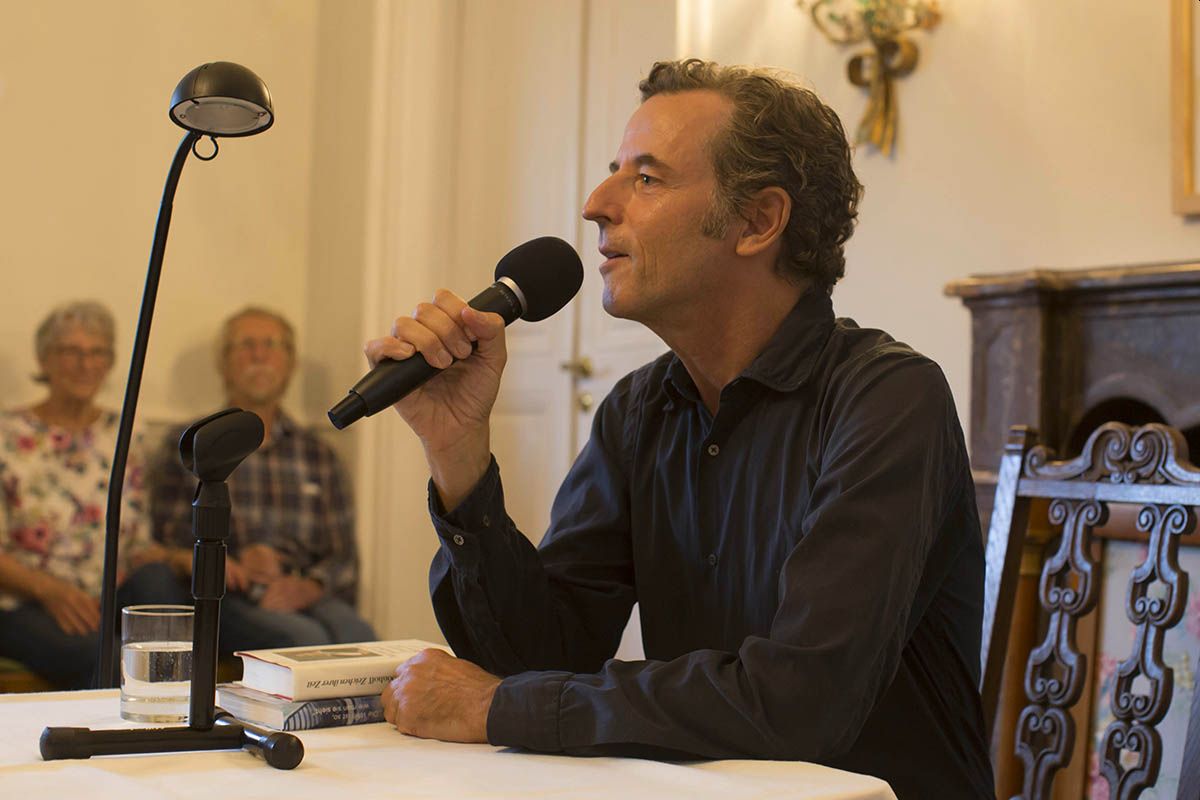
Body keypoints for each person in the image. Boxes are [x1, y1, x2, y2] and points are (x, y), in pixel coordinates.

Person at [366, 60, 993, 798]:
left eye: (647, 178)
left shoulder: (888, 398)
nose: (597, 205)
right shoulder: (639, 411)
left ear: (758, 221)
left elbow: (800, 700)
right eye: (613, 173)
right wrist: (457, 449)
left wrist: (502, 707)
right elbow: (543, 652)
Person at [151, 306, 375, 652]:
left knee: (360, 640)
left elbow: (343, 558)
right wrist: (227, 557)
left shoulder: (319, 456)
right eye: (246, 345)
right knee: (304, 641)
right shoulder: (193, 443)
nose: (259, 355)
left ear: (289, 365)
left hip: (304, 592)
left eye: (271, 345)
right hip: (229, 597)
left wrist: (308, 587)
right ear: (224, 365)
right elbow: (162, 541)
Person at [0, 301, 189, 688]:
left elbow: (137, 543)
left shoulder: (125, 432)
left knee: (160, 590)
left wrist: (177, 557)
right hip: (27, 602)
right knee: (107, 655)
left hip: (109, 594)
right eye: (71, 351)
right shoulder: (7, 435)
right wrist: (49, 590)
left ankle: (177, 722)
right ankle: (130, 737)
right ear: (44, 358)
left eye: (97, 353)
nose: (85, 364)